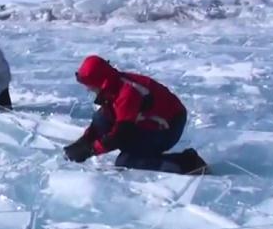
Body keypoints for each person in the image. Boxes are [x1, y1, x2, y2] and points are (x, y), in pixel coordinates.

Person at [63, 55, 209, 174]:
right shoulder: (113, 86)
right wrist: (82, 143)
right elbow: (102, 123)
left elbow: (121, 135)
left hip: (170, 126)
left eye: (89, 84)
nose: (88, 89)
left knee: (127, 161)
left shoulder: (127, 94)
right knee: (101, 118)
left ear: (101, 82)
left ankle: (188, 163)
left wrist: (90, 151)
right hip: (150, 120)